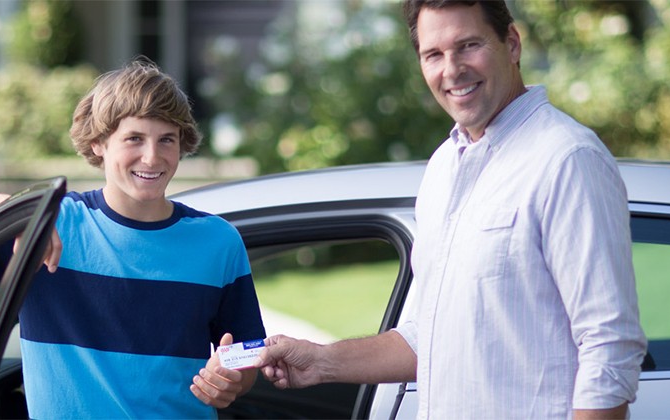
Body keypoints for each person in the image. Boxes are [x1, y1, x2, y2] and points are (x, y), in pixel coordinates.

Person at [254, 1, 647, 418]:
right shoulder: (444, 166)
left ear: (511, 43)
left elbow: (609, 345)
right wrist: (320, 362)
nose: (452, 69)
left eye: (468, 45)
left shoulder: (567, 159)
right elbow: (430, 335)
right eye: (434, 54)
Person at [0, 58, 266, 418]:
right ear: (99, 143)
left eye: (166, 140)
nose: (152, 157)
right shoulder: (47, 227)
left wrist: (232, 378)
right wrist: (4, 209)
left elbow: (248, 352)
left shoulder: (218, 242)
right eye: (134, 138)